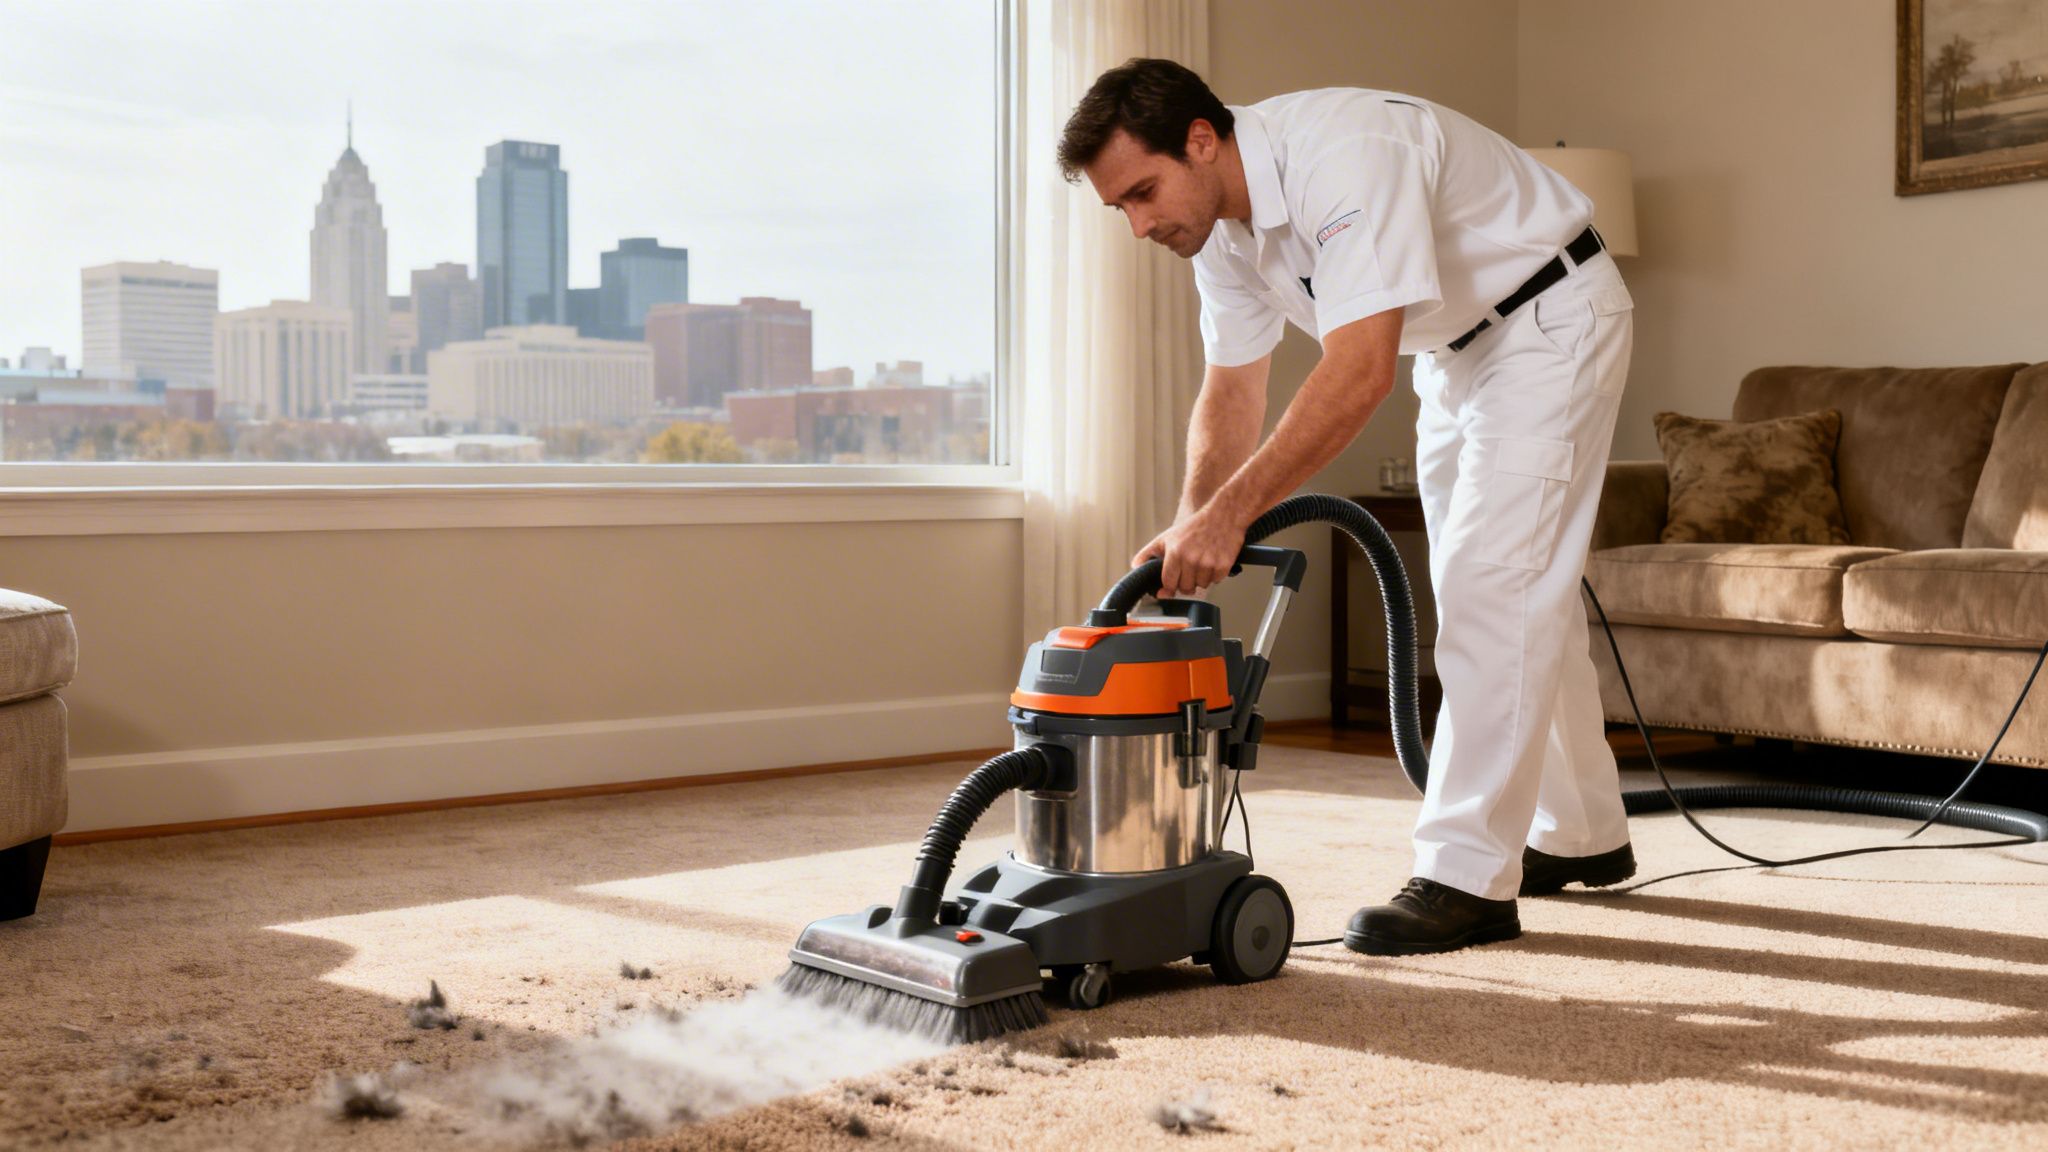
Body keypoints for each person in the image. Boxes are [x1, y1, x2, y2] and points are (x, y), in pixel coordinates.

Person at [1058, 59, 1639, 955]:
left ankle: (1467, 878)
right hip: (1453, 352)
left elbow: (1359, 371)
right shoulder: (1215, 229)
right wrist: (1190, 525)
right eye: (1119, 209)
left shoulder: (1345, 156)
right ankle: (1583, 833)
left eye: (1142, 192)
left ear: (1202, 141)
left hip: (1550, 317)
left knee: (1494, 588)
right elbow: (1233, 393)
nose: (1139, 224)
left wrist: (1232, 517)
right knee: (1512, 591)